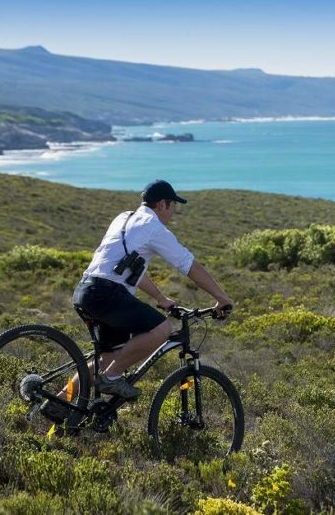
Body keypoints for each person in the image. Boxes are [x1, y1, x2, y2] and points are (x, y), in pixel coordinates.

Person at [41, 179, 233, 422]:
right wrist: (221, 297)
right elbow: (188, 265)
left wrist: (161, 298)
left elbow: (129, 269)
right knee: (162, 328)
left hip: (86, 291)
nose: (174, 212)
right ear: (163, 204)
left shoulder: (123, 218)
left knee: (108, 358)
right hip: (107, 294)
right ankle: (112, 378)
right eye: (173, 205)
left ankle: (60, 401)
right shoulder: (154, 228)